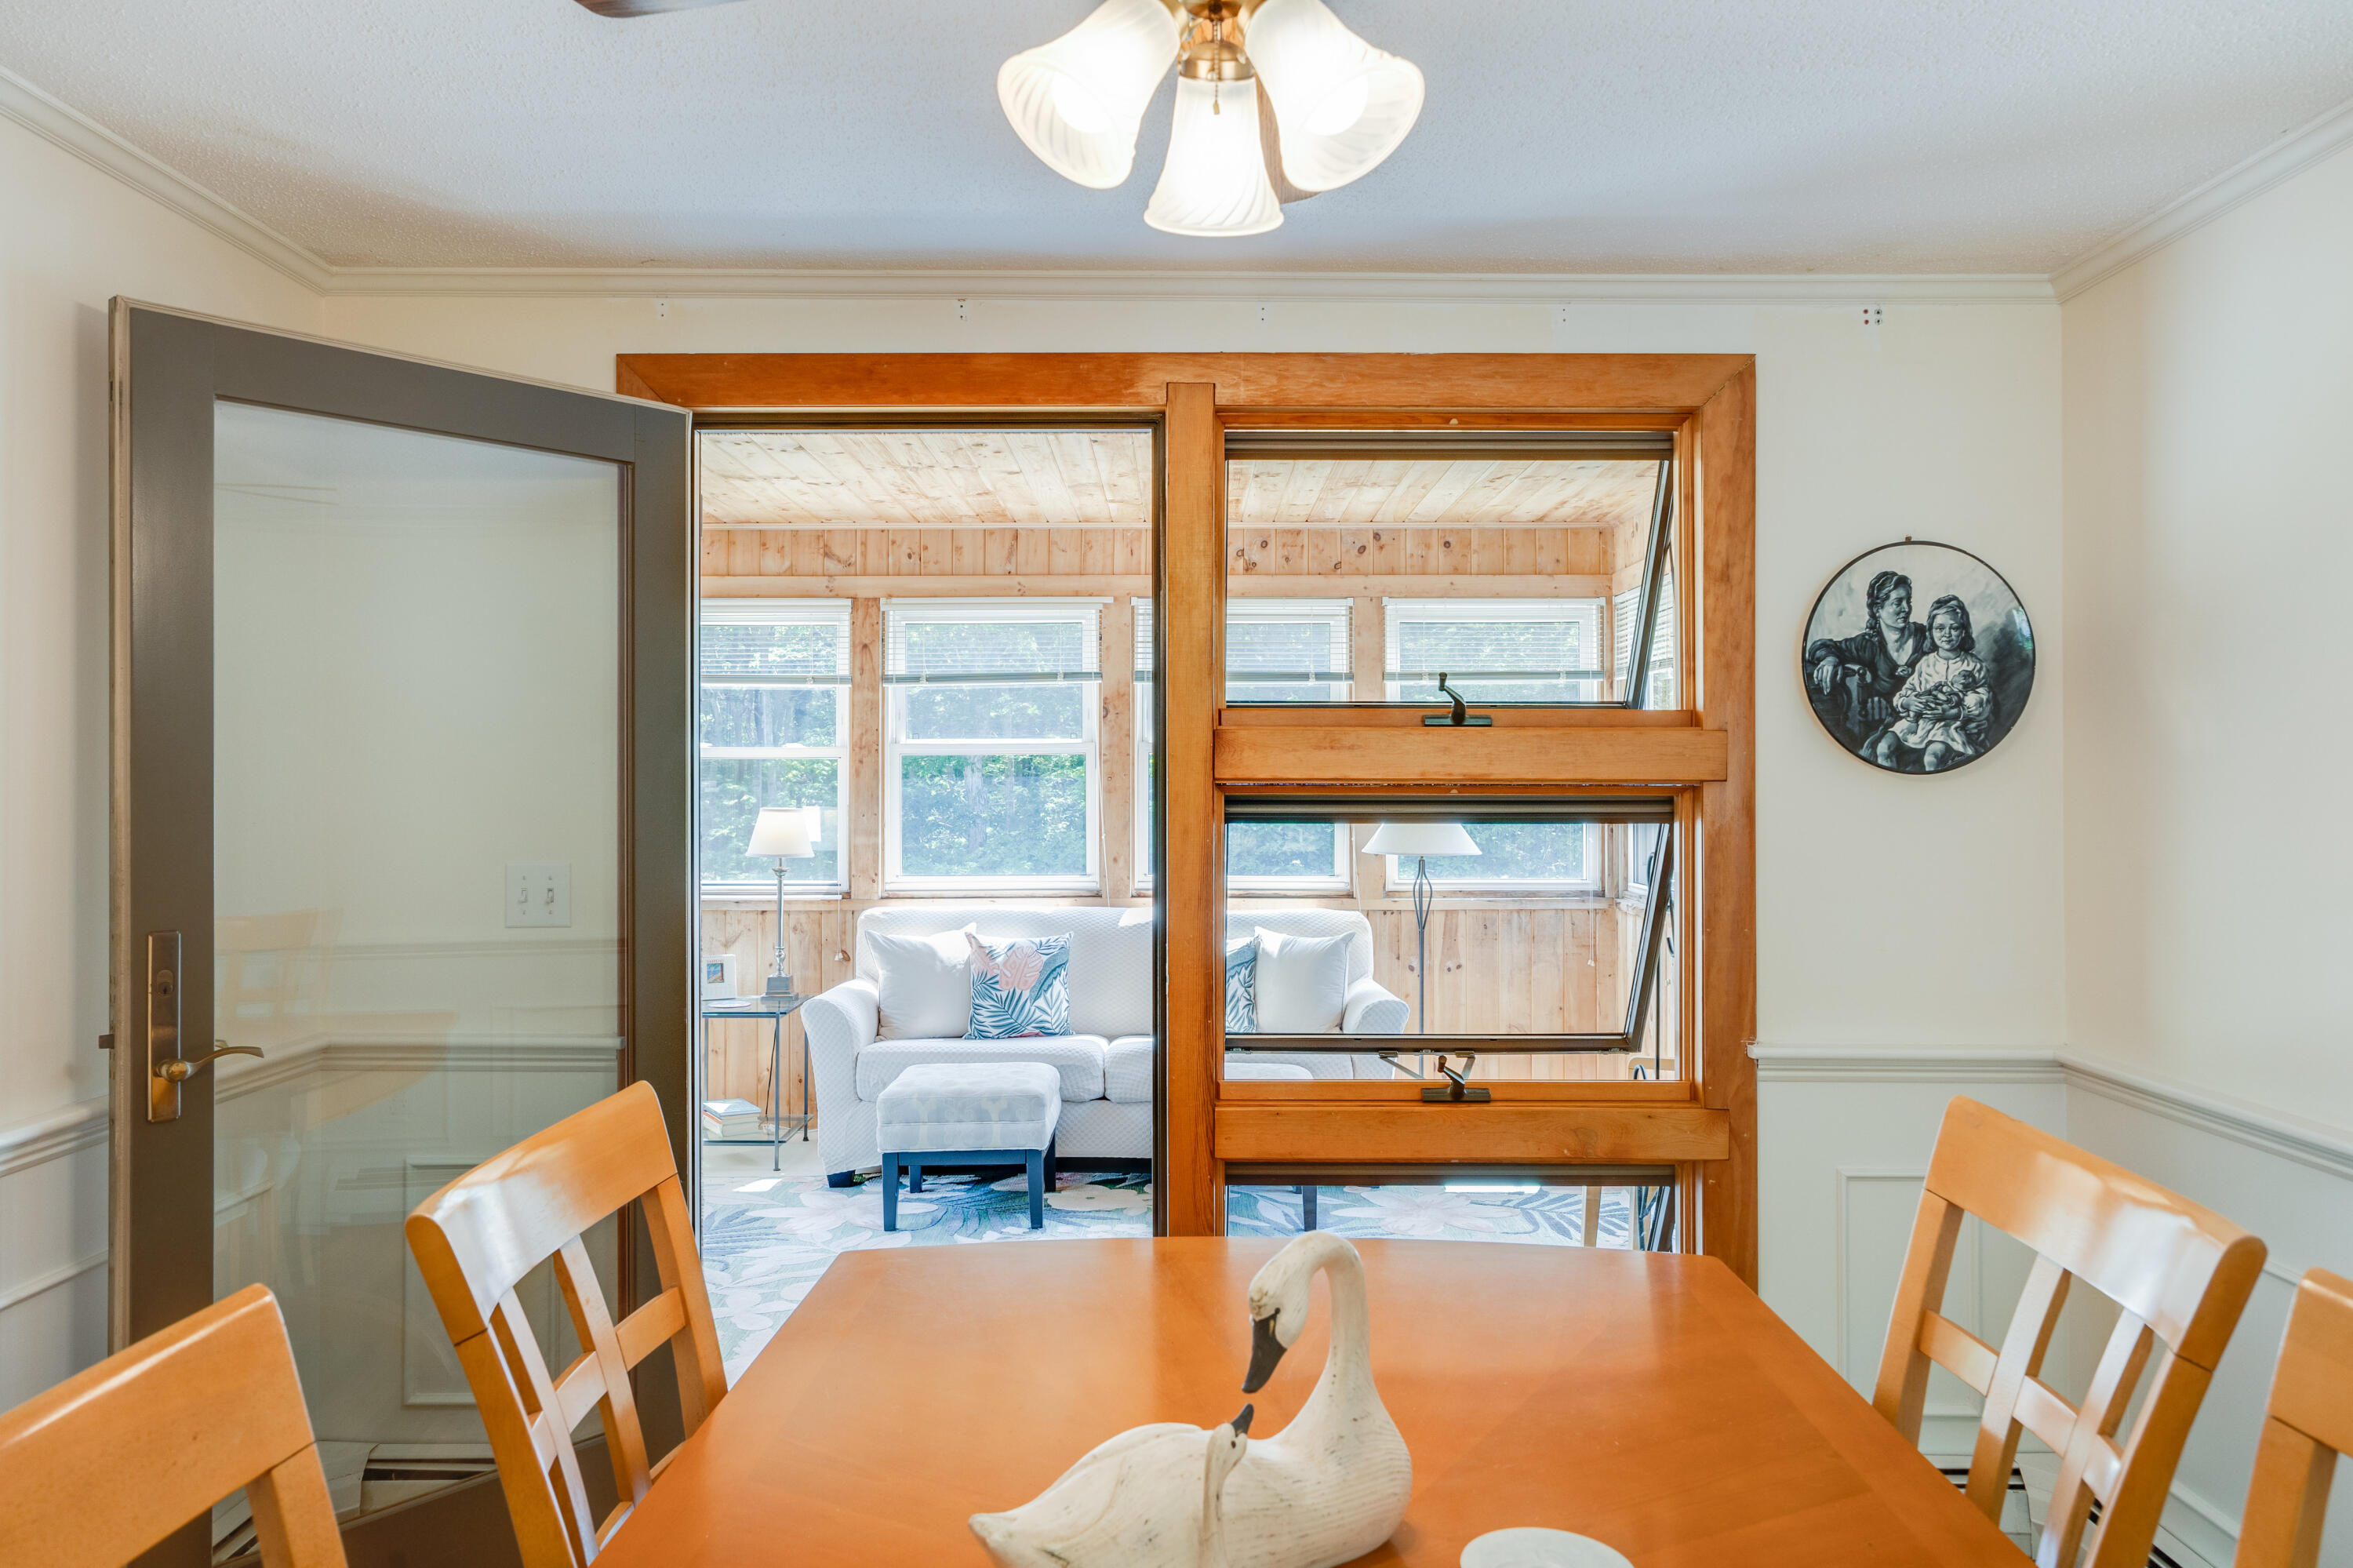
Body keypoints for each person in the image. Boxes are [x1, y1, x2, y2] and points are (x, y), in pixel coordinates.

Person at [1806, 569, 1929, 754]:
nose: (1906, 608)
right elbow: (1820, 646)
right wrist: (1831, 659)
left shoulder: (1926, 637)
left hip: (1932, 720)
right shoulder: (1868, 645)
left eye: (1908, 601)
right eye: (1898, 603)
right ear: (1878, 609)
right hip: (1890, 728)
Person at [1871, 595, 1993, 772]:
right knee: (1883, 747)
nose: (1947, 635)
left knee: (1932, 757)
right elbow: (1908, 691)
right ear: (1931, 631)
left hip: (1949, 726)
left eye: (1954, 628)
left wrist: (1953, 712)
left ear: (1964, 630)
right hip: (1919, 722)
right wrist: (1908, 702)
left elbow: (1982, 701)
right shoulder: (1926, 663)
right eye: (1940, 628)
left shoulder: (1974, 665)